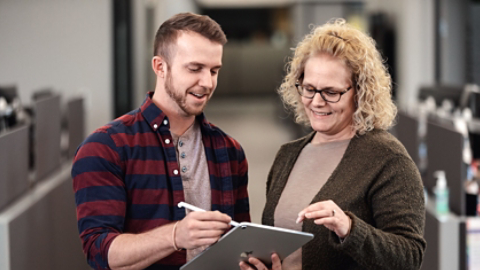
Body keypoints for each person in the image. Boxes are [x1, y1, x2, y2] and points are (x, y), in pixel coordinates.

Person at [240, 19, 426, 270]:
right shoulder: (288, 155)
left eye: (331, 91)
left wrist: (350, 229)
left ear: (360, 92)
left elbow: (409, 257)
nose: (317, 102)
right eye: (309, 89)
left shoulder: (388, 159)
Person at [72, 12, 250, 270]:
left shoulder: (229, 150)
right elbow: (101, 252)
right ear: (160, 67)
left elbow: (240, 244)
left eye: (214, 70)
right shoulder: (105, 148)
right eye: (195, 68)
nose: (207, 82)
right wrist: (175, 236)